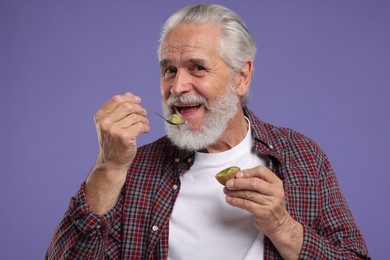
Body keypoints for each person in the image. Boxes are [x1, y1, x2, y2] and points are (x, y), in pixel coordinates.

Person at [46, 4, 370, 259]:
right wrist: (109, 166)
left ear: (241, 77)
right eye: (168, 70)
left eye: (197, 67)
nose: (177, 87)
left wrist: (282, 226)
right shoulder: (132, 169)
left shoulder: (303, 157)